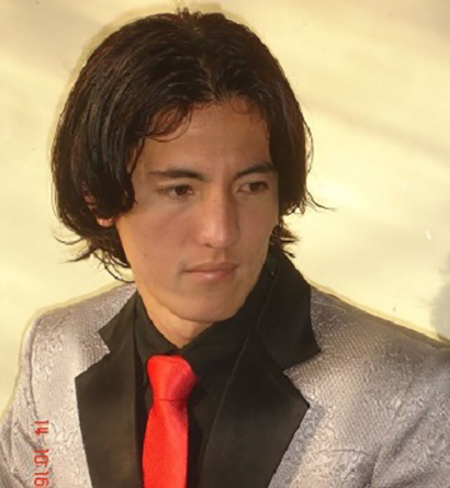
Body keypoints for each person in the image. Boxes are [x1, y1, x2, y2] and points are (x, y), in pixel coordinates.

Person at [1, 9, 449, 488]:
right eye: (180, 190)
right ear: (98, 198)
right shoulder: (55, 350)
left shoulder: (410, 393)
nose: (220, 231)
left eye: (251, 186)